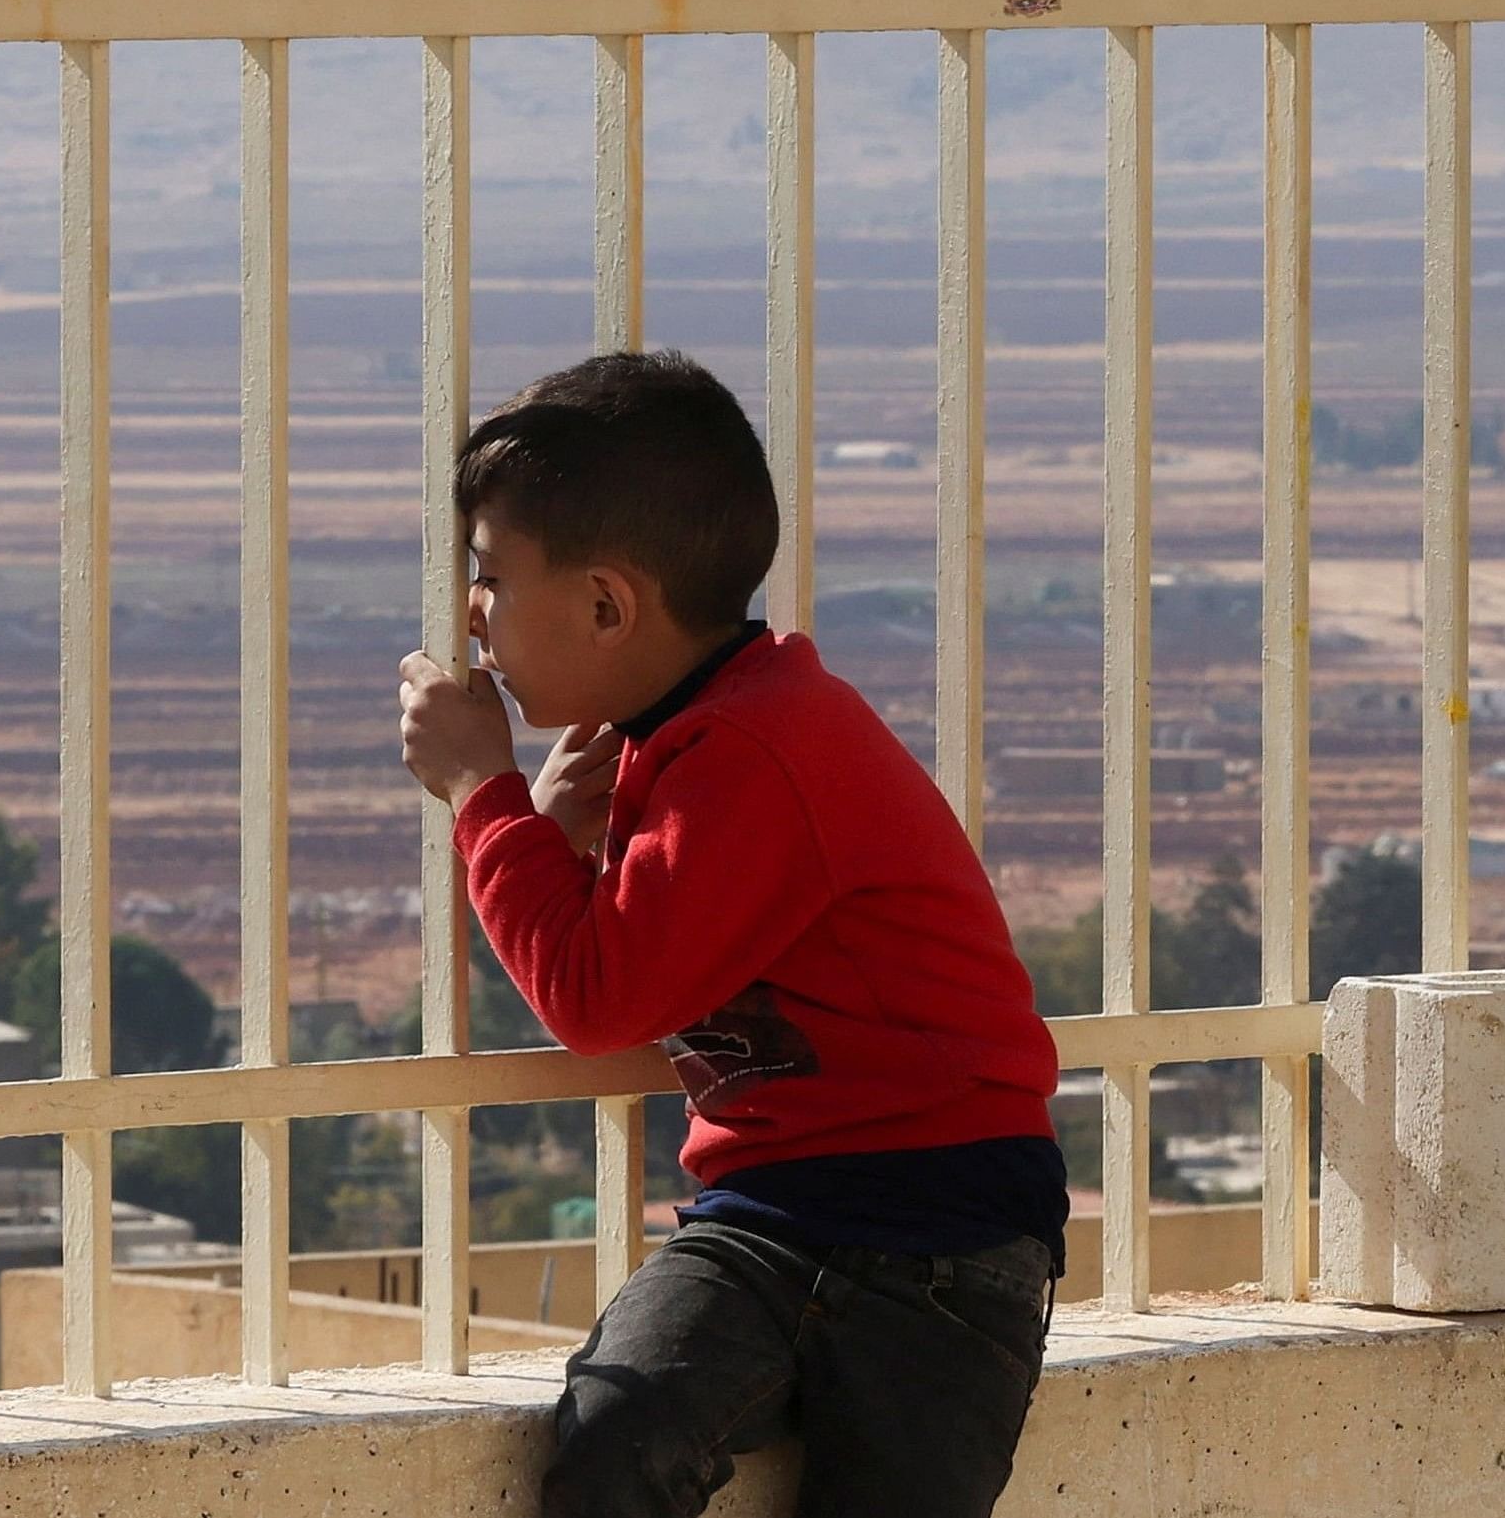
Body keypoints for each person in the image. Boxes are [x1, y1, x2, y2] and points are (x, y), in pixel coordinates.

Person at [395, 350, 1065, 1518]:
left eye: (492, 575)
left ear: (608, 604)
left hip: (942, 1239)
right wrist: (539, 831)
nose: (471, 611)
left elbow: (599, 997)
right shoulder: (696, 736)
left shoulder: (754, 751)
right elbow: (624, 957)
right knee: (615, 1430)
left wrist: (482, 795)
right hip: (766, 1221)